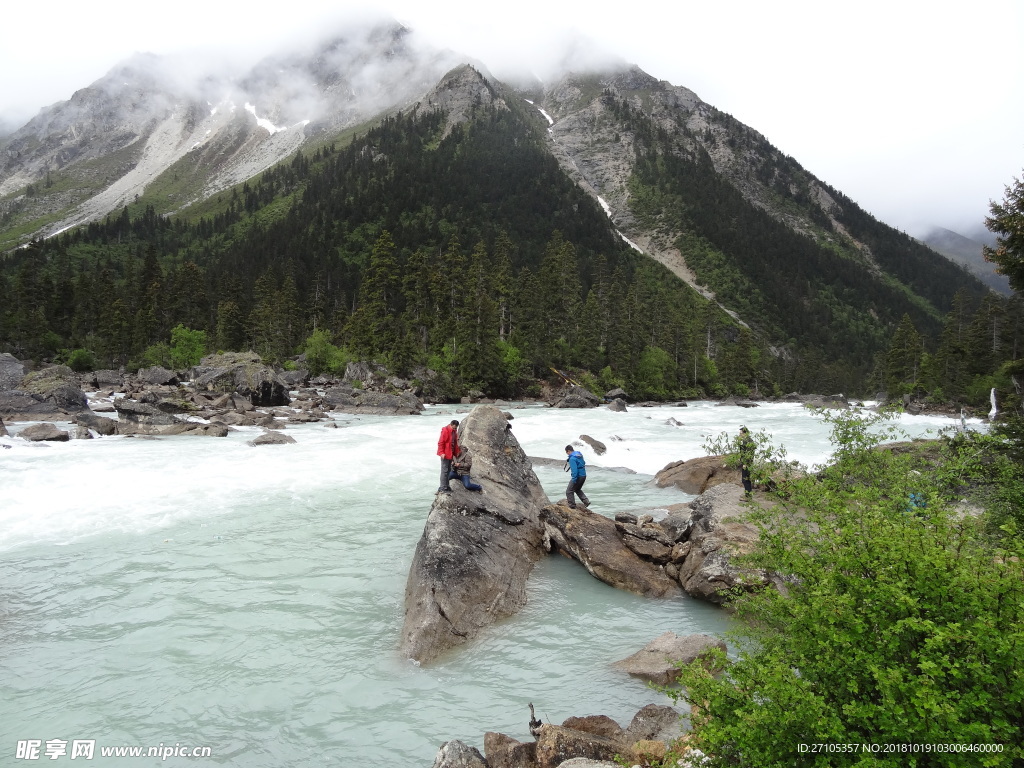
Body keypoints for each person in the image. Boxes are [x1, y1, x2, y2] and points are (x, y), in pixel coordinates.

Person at [437, 419, 460, 494]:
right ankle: (442, 487)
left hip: (450, 454)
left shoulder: (454, 432)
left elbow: (455, 443)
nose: (454, 429)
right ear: (451, 424)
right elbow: (441, 442)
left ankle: (447, 486)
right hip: (445, 454)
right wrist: (441, 453)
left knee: (448, 470)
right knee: (444, 471)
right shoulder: (445, 431)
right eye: (453, 428)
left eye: (456, 428)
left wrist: (457, 452)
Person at [564, 444, 590, 509]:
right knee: (577, 489)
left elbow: (574, 471)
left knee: (569, 491)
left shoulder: (572, 458)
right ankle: (586, 501)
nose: (567, 454)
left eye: (567, 453)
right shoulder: (579, 455)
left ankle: (572, 506)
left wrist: (574, 479)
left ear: (568, 451)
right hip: (583, 475)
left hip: (578, 476)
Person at [737, 426, 755, 500]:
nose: (740, 435)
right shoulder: (748, 440)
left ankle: (748, 496)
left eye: (741, 433)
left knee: (745, 479)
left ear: (745, 433)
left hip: (747, 463)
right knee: (746, 479)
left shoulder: (747, 441)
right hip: (747, 462)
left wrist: (745, 463)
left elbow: (749, 453)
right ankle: (748, 494)